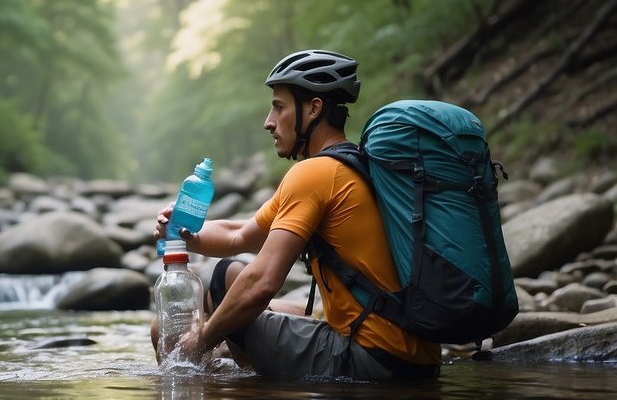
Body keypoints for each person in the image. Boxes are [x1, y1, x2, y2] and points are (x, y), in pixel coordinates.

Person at [152, 49, 441, 381]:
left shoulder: (314, 174)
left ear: (314, 109)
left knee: (218, 286)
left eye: (278, 107)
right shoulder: (350, 165)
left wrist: (201, 342)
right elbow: (240, 235)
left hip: (372, 360)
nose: (268, 122)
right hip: (415, 357)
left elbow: (262, 284)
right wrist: (188, 234)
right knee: (228, 277)